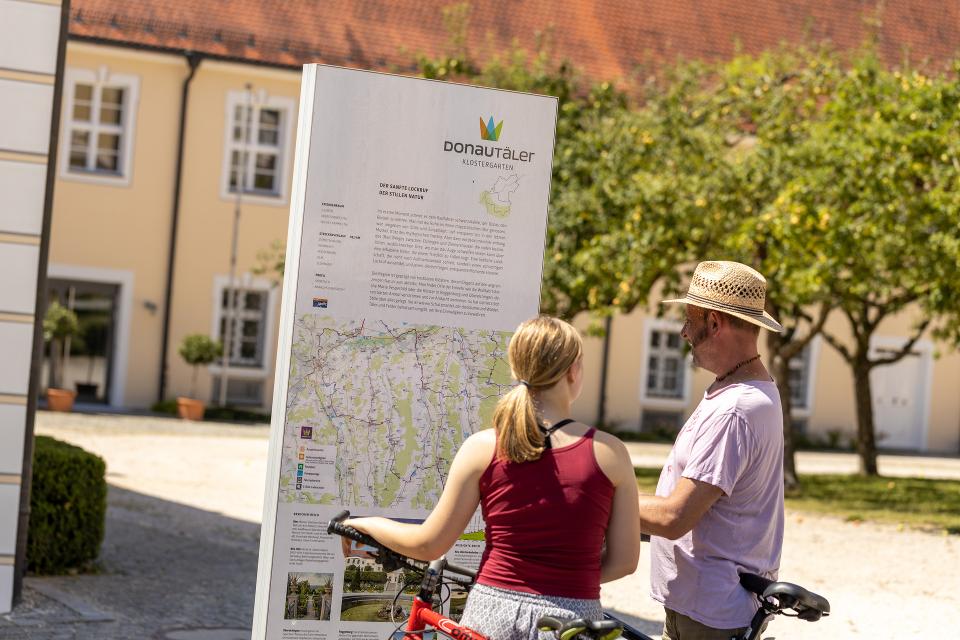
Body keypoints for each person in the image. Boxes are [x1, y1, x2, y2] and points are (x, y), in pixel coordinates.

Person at [341, 315, 641, 640]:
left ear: (516, 371)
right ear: (573, 371)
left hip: (491, 612)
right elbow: (625, 561)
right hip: (570, 620)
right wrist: (570, 575)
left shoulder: (483, 446)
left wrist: (364, 523)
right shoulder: (610, 452)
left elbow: (429, 543)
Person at [637, 261, 785, 640]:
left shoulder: (736, 408)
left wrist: (589, 496)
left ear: (715, 323)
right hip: (705, 604)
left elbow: (674, 516)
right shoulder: (744, 390)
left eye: (690, 320)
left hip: (708, 613)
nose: (684, 332)